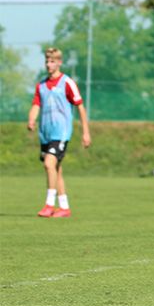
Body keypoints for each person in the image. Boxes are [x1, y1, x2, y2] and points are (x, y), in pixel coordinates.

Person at [27, 47, 91, 218]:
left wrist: (86, 132)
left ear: (59, 63)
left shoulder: (67, 83)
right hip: (45, 133)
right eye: (47, 61)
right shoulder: (41, 85)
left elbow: (80, 107)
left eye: (52, 61)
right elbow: (36, 104)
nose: (49, 64)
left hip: (61, 132)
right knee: (56, 169)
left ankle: (49, 204)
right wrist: (31, 119)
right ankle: (64, 207)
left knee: (49, 164)